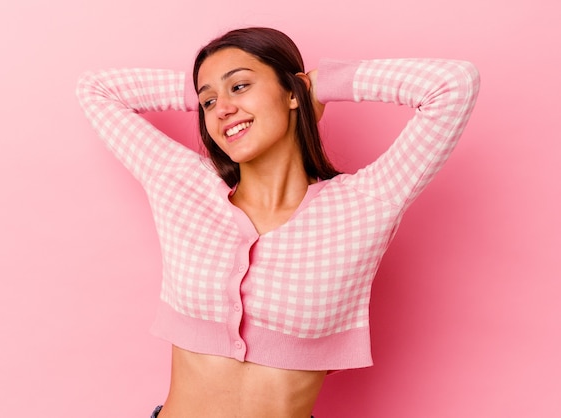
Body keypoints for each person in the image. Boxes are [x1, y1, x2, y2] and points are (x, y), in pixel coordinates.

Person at [76, 27, 479, 418]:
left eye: (239, 86)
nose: (223, 108)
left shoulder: (366, 204)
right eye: (209, 102)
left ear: (291, 92)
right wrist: (204, 90)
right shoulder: (182, 184)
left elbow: (453, 84)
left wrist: (320, 86)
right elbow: (96, 90)